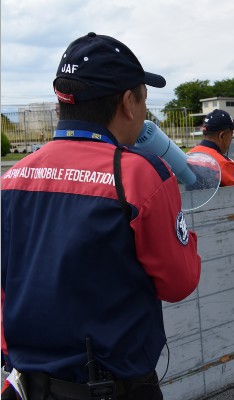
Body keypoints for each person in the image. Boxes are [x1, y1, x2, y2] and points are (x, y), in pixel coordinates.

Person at [1, 32, 201, 400]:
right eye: (144, 99)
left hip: (29, 384)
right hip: (115, 387)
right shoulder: (141, 175)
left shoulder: (12, 177)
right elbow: (180, 283)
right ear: (128, 102)